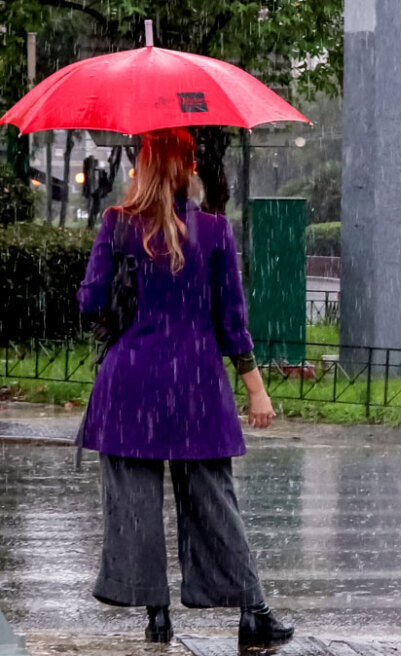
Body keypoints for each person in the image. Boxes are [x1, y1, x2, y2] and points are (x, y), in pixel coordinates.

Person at [77, 128, 293, 646]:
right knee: (214, 501)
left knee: (134, 503)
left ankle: (156, 614)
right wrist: (256, 389)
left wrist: (119, 308)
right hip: (195, 386)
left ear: (144, 166)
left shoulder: (117, 225)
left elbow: (89, 303)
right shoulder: (215, 232)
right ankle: (252, 612)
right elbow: (232, 320)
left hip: (129, 385)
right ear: (189, 168)